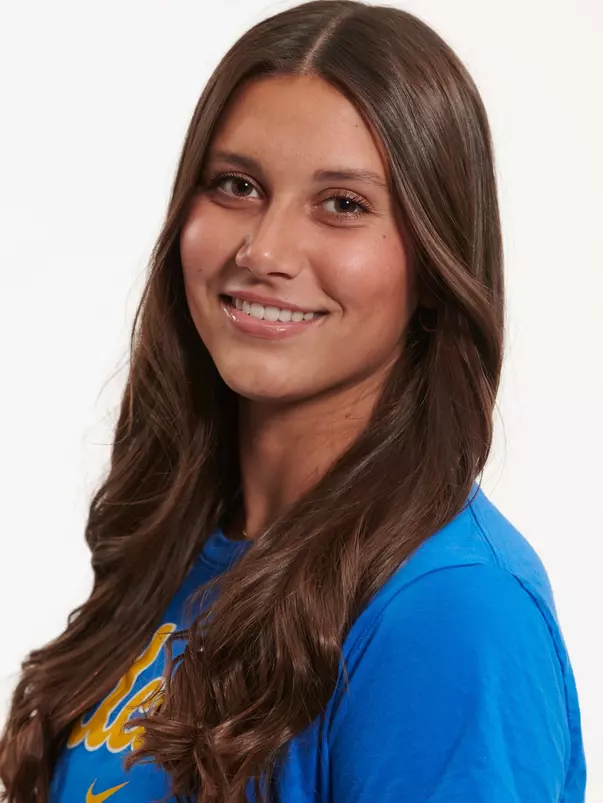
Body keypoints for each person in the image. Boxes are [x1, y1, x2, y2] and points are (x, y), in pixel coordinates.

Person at [0, 1, 587, 801]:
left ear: (434, 258)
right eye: (236, 185)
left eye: (342, 204)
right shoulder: (176, 549)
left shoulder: (449, 612)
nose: (264, 249)